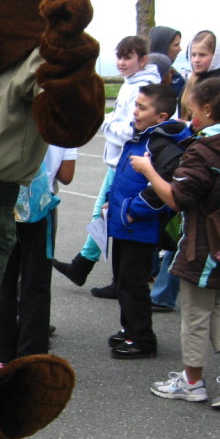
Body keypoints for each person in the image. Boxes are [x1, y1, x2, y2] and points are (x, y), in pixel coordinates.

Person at [131, 78, 220, 409]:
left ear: (207, 108)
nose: (189, 115)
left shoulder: (205, 149)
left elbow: (179, 198)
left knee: (194, 314)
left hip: (203, 243)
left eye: (191, 108)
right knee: (213, 307)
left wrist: (148, 170)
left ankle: (192, 382)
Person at [53, 35, 160, 294]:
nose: (121, 62)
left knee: (107, 213)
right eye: (119, 56)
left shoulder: (142, 87)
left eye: (128, 57)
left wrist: (106, 123)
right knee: (107, 214)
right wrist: (109, 120)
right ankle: (88, 266)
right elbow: (120, 120)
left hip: (128, 162)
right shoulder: (131, 83)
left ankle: (89, 268)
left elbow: (131, 129)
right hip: (119, 161)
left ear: (143, 60)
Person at [106, 84, 191, 359]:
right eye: (136, 105)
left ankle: (142, 339)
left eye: (142, 107)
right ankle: (129, 329)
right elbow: (124, 175)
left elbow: (163, 185)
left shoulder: (162, 144)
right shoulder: (142, 137)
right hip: (125, 224)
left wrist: (133, 210)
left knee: (134, 285)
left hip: (139, 228)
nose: (135, 111)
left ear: (161, 116)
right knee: (123, 281)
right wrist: (111, 200)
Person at [0, 143, 75, 365]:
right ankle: (32, 358)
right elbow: (66, 175)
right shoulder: (60, 129)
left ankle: (0, 356)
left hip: (2, 203)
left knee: (1, 283)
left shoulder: (8, 122)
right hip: (41, 207)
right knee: (36, 286)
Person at [180, 29, 220, 122]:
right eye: (193, 55)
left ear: (216, 56)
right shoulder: (193, 80)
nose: (196, 60)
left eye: (202, 55)